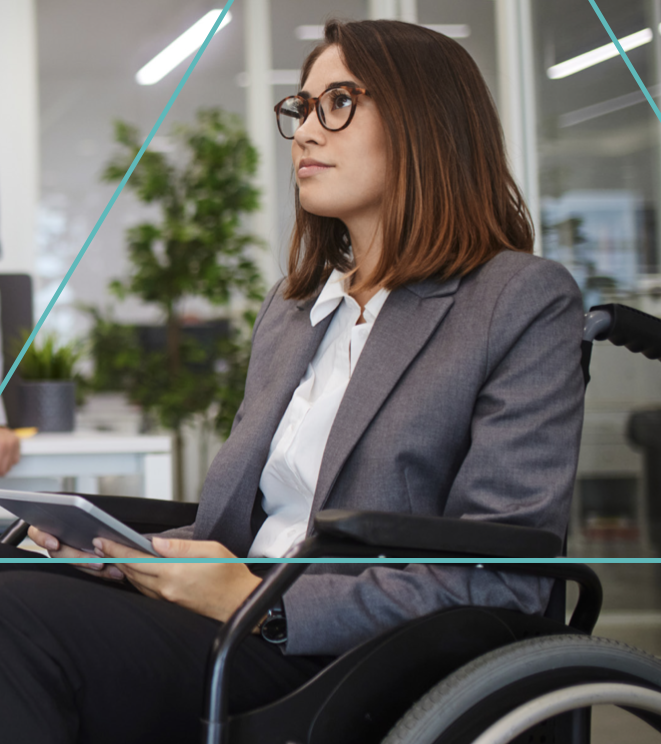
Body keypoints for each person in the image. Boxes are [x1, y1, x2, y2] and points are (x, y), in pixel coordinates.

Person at [0, 19, 584, 743]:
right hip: (234, 619)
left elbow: (502, 572)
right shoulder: (294, 308)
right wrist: (114, 553)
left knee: (13, 625)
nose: (306, 131)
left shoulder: (518, 299)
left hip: (339, 655)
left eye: (337, 102)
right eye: (301, 109)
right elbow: (248, 531)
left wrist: (263, 601)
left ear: (426, 122)